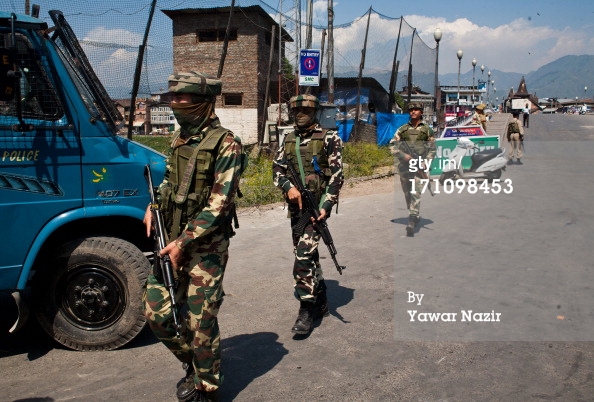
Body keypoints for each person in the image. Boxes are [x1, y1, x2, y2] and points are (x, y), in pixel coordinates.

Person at [143, 71, 247, 402]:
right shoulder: (180, 139)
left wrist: (183, 242)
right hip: (171, 239)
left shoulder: (227, 143)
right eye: (171, 99)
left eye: (181, 99)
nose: (174, 104)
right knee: (158, 314)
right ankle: (195, 364)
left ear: (202, 103)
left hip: (206, 249)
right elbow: (170, 182)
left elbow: (219, 205)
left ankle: (207, 386)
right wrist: (153, 205)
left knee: (201, 322)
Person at [272, 94, 344, 335]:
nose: (300, 113)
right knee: (308, 255)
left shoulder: (329, 138)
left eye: (305, 109)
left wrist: (326, 205)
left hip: (317, 208)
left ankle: (306, 309)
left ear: (315, 112)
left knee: (303, 256)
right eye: (296, 110)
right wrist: (288, 187)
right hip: (297, 210)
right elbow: (277, 168)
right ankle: (321, 295)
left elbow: (336, 176)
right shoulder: (289, 139)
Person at [389, 102, 436, 237]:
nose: (413, 112)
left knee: (416, 192)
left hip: (419, 166)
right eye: (411, 110)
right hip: (405, 167)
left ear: (421, 112)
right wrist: (404, 156)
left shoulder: (427, 130)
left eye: (416, 109)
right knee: (407, 192)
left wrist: (426, 162)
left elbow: (432, 149)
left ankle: (412, 218)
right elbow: (392, 146)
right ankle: (413, 213)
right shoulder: (402, 130)